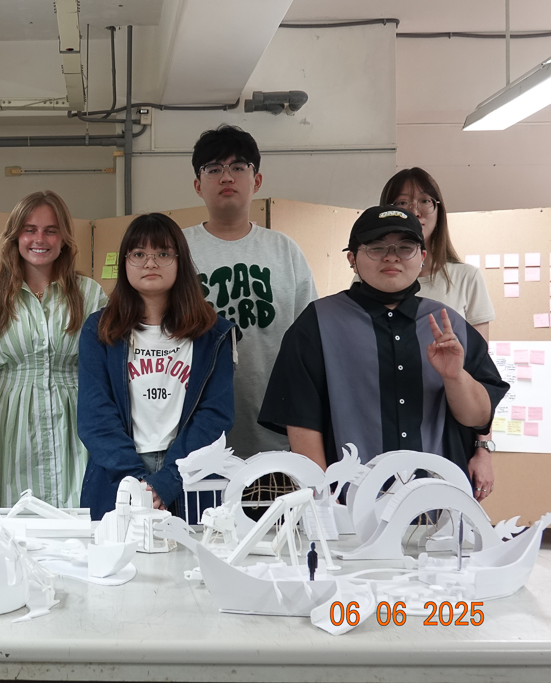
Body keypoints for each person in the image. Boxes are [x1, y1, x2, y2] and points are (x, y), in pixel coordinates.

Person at [259, 206, 508, 495]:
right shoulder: (317, 324)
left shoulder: (448, 325)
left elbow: (478, 418)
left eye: (405, 247)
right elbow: (300, 421)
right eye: (376, 247)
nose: (391, 256)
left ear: (422, 257)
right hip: (348, 501)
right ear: (352, 259)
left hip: (438, 500)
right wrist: (323, 497)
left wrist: (455, 377)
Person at [78, 213, 235, 521]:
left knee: (192, 551)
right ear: (125, 263)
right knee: (119, 551)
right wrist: (137, 483)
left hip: (190, 475)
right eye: (138, 254)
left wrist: (167, 482)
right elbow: (94, 416)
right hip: (118, 475)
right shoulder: (99, 330)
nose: (150, 263)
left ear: (180, 261)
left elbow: (215, 416)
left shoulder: (212, 332)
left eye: (163, 254)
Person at [0, 191, 107, 508]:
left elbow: (105, 374)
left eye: (51, 230)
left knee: (78, 517)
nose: (40, 239)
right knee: (12, 519)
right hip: (7, 429)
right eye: (30, 229)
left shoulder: (90, 294)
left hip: (75, 427)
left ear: (64, 238)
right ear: (16, 235)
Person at [183, 124, 316, 459]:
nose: (227, 177)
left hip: (274, 431)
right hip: (194, 435)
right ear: (198, 185)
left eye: (238, 167)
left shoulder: (284, 250)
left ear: (256, 180)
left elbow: (311, 342)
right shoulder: (177, 248)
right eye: (214, 169)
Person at [381, 168, 497, 500]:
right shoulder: (374, 277)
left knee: (445, 517)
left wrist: (483, 448)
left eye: (424, 201)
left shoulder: (466, 278)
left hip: (450, 421)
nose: (415, 210)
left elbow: (481, 374)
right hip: (387, 419)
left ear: (438, 209)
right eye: (402, 202)